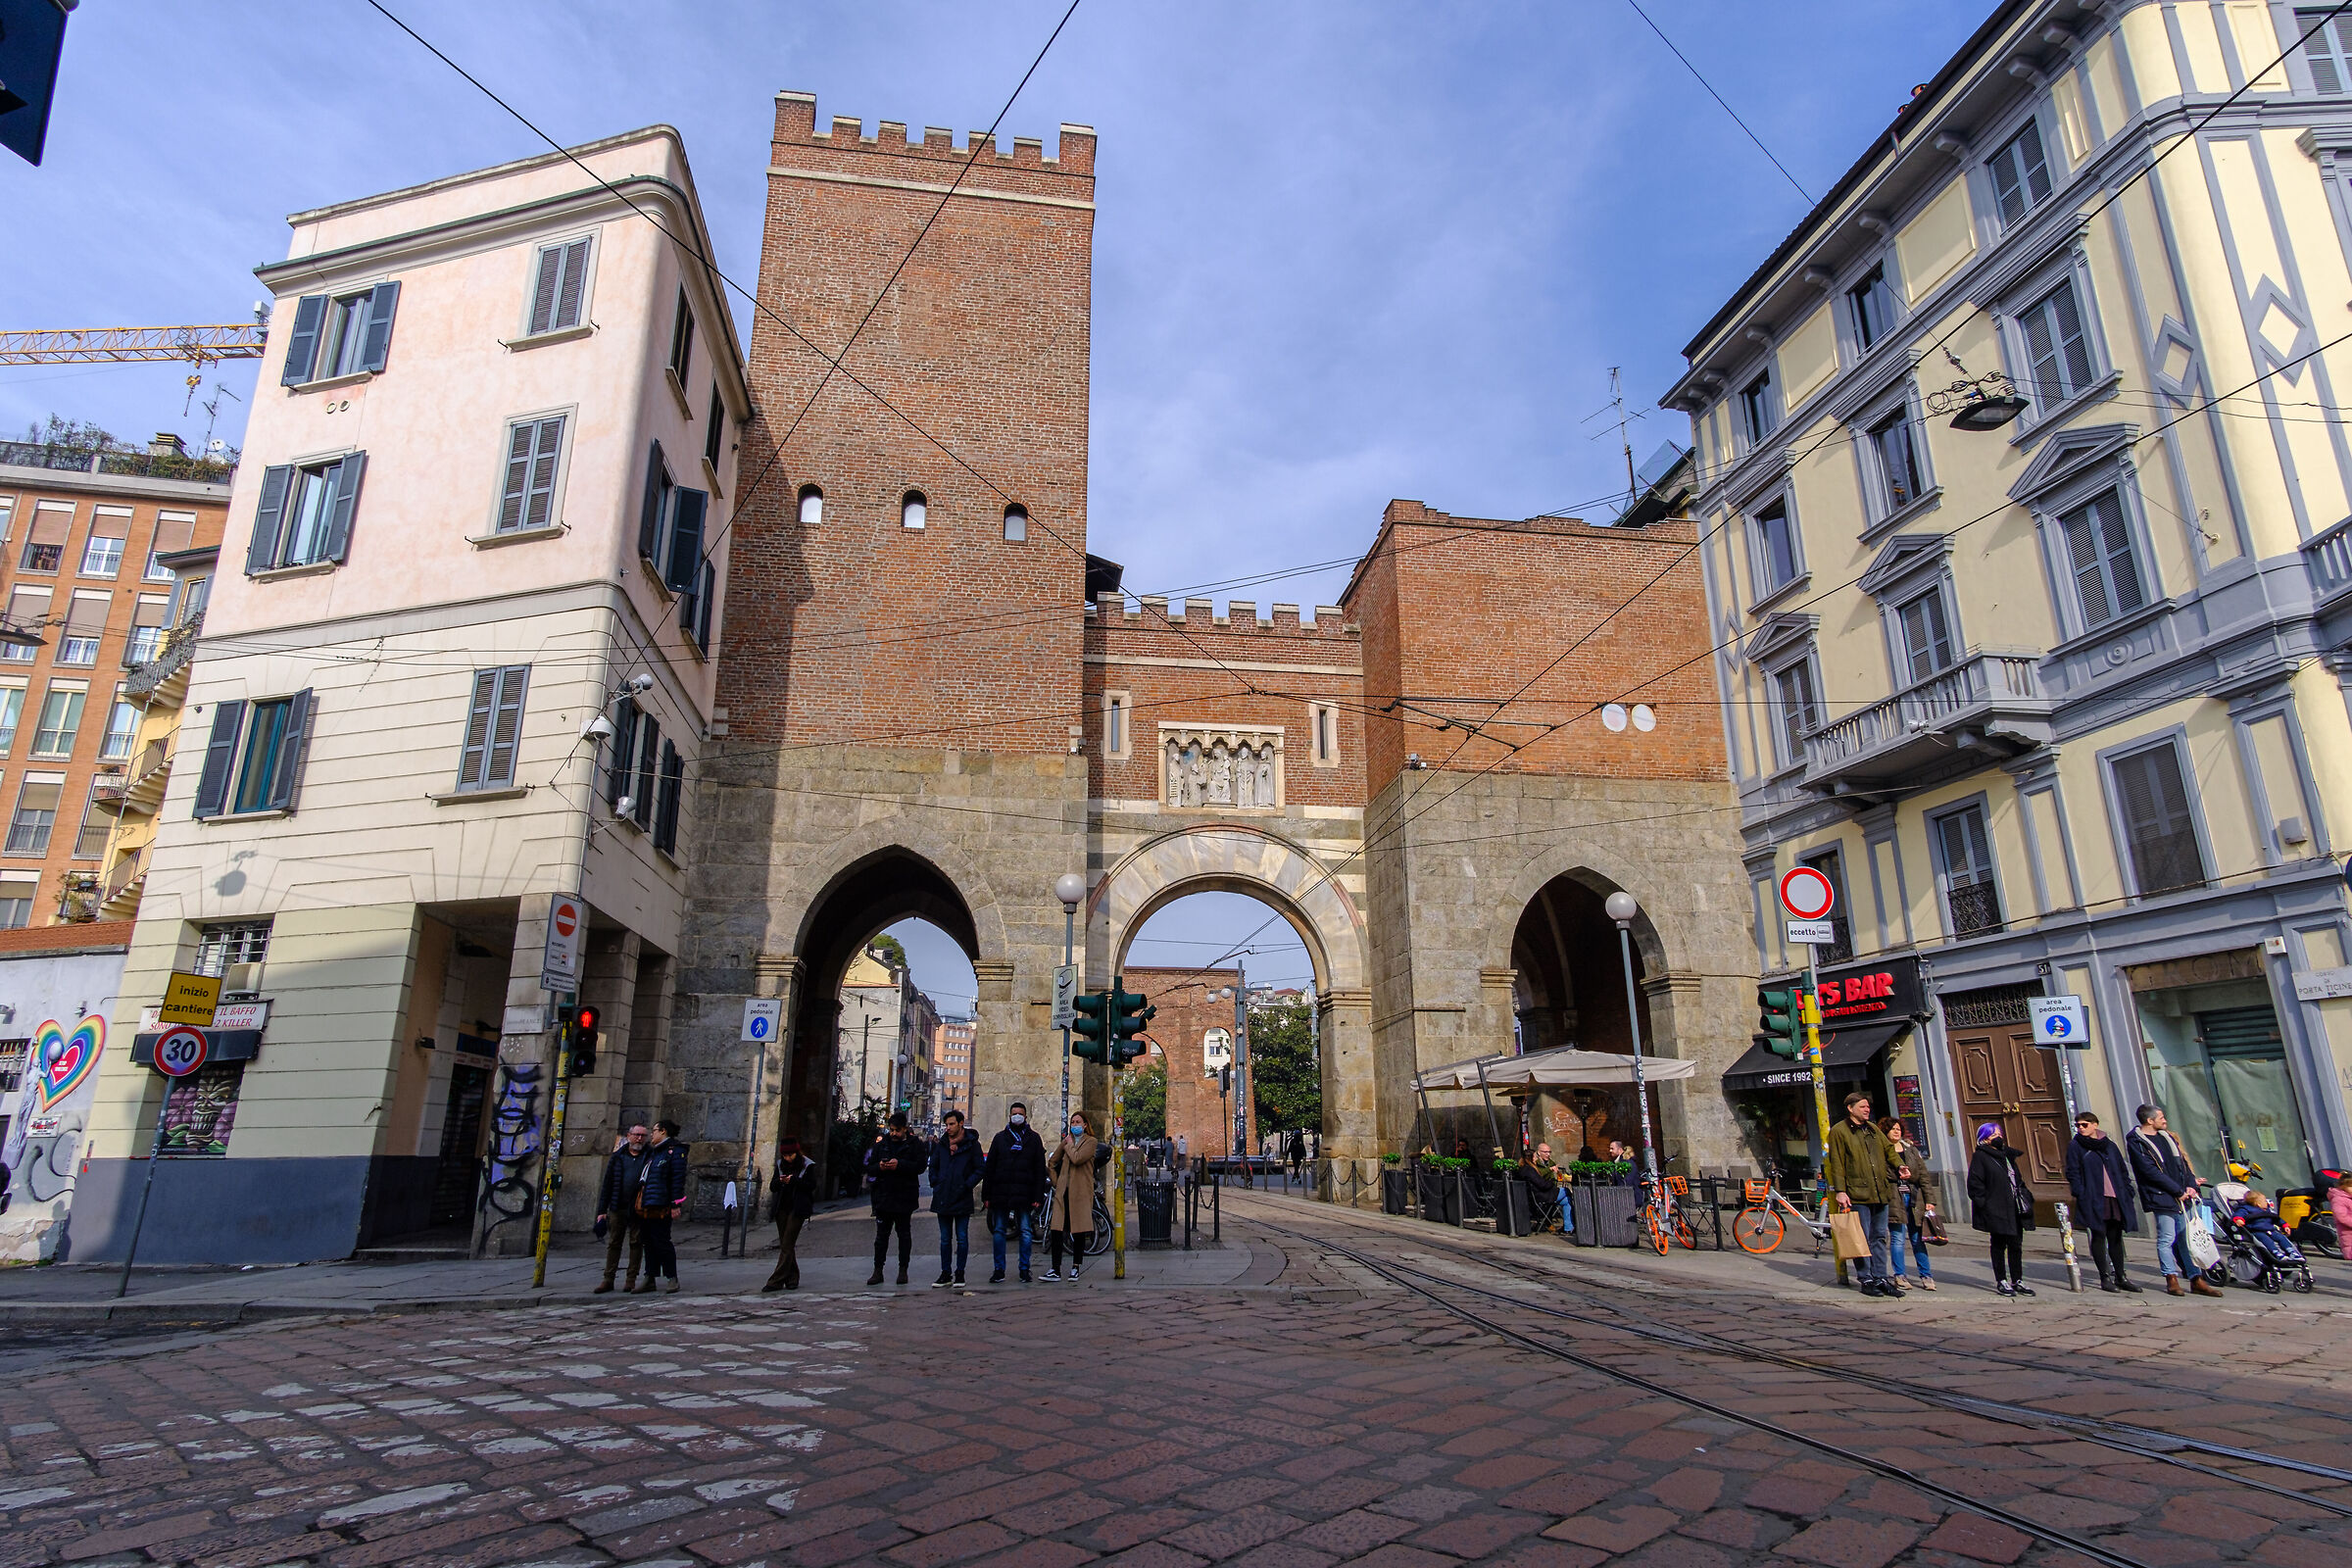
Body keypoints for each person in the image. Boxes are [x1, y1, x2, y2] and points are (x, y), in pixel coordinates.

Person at [2127, 1103, 2220, 1298]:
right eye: (2161, 1117)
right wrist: (2177, 1191)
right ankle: (2171, 1278)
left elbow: (2182, 1164)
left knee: (2188, 1239)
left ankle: (2196, 1279)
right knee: (2167, 1239)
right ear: (2150, 1120)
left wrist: (2191, 1185)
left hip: (2184, 1197)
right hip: (2162, 1197)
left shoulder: (2167, 1137)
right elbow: (2150, 1172)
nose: (2165, 1121)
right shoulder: (2138, 1142)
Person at [1825, 1092, 1903, 1298]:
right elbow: (1836, 1162)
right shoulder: (1839, 1131)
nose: (1867, 1109)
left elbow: (1889, 1150)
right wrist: (1840, 1191)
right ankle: (1866, 1279)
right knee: (1861, 1238)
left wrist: (1900, 1166)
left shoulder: (1873, 1129)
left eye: (1868, 1106)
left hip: (1880, 1192)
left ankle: (1881, 1278)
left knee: (1879, 1237)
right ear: (1850, 1108)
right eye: (1862, 1106)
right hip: (1857, 1192)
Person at [2063, 1112, 2141, 1293]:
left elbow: (2121, 1169)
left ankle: (2120, 1276)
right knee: (2098, 1235)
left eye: (2084, 1124)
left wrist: (2128, 1189)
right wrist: (2080, 1192)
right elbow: (2073, 1172)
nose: (2081, 1128)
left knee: (2116, 1237)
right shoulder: (2076, 1146)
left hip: (2115, 1197)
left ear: (2095, 1125)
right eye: (2078, 1125)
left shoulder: (2109, 1145)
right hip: (2093, 1197)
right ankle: (2104, 1277)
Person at [1966, 1121, 2036, 1298]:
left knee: (2016, 1245)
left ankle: (2017, 1280)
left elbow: (2017, 1179)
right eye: (1993, 1134)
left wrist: (2025, 1195)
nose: (1998, 1137)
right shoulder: (1981, 1157)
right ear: (1985, 1139)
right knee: (1998, 1245)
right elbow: (1975, 1185)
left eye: (1999, 1133)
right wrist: (1985, 1204)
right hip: (1995, 1208)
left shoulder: (2007, 1155)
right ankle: (2001, 1280)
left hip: (2014, 1208)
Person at [984, 1102, 1048, 1283]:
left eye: (1020, 1113)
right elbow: (990, 1168)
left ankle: (1024, 1269)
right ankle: (999, 1269)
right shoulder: (1000, 1138)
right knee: (999, 1231)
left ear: (1026, 1116)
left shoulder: (1033, 1139)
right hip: (1001, 1192)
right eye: (1014, 1113)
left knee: (1026, 1231)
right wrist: (986, 1195)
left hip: (1025, 1193)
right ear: (1009, 1116)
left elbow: (1039, 1170)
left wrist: (1038, 1195)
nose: (1017, 1116)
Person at [864, 1111, 926, 1287]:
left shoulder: (914, 1145)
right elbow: (870, 1167)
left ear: (904, 1129)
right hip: (884, 1196)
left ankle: (903, 1270)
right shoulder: (882, 1145)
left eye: (897, 1130)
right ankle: (878, 1270)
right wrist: (880, 1167)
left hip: (904, 1196)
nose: (894, 1133)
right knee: (881, 1237)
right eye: (891, 1130)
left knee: (904, 1235)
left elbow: (920, 1166)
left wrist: (900, 1165)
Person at [593, 1123, 652, 1295]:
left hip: (639, 1207)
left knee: (636, 1243)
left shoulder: (650, 1156)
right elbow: (607, 1184)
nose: (639, 1138)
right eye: (636, 1135)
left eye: (643, 1136)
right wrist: (602, 1211)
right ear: (629, 1136)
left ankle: (630, 1280)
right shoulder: (618, 1157)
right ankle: (608, 1278)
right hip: (618, 1205)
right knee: (614, 1243)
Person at [928, 1109, 985, 1287]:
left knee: (962, 1237)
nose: (948, 1128)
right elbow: (933, 1165)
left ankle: (960, 1273)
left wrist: (966, 1185)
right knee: (945, 1238)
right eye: (946, 1124)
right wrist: (936, 1182)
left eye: (951, 1124)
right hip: (943, 1196)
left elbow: (980, 1169)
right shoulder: (942, 1144)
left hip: (961, 1196)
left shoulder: (972, 1144)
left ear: (961, 1124)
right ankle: (945, 1273)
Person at [1880, 1118, 1936, 1292]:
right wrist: (1898, 1174)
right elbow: (1882, 1173)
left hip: (1914, 1198)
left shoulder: (1911, 1150)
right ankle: (1900, 1275)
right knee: (1897, 1238)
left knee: (1917, 1238)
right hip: (1894, 1198)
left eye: (1898, 1129)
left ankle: (1926, 1275)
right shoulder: (1881, 1150)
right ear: (1885, 1132)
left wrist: (1930, 1200)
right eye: (1892, 1129)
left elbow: (1923, 1176)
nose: (1896, 1131)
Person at [1044, 1109, 1100, 1281]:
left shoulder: (1091, 1142)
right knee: (1057, 1229)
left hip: (1080, 1192)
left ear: (1085, 1125)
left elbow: (1077, 1158)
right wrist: (1056, 1181)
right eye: (1072, 1122)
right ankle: (1055, 1268)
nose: (1074, 1125)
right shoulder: (1067, 1141)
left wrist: (1068, 1144)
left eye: (1078, 1122)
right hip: (1064, 1192)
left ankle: (1076, 1266)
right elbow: (1052, 1161)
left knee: (1078, 1230)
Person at [636, 1119, 689, 1294]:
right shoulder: (654, 1152)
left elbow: (677, 1179)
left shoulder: (675, 1152)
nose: (652, 1134)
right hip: (648, 1202)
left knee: (662, 1241)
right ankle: (649, 1276)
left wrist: (675, 1204)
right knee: (648, 1242)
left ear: (663, 1131)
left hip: (661, 1203)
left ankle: (671, 1277)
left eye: (654, 1130)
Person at [761, 1136, 816, 1293]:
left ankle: (776, 1281)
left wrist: (794, 1181)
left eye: (790, 1155)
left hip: (798, 1209)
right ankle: (792, 1278)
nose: (787, 1158)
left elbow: (811, 1185)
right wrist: (780, 1181)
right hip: (782, 1208)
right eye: (785, 1155)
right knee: (787, 1245)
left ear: (796, 1153)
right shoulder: (780, 1165)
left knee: (786, 1244)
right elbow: (773, 1187)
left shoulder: (807, 1165)